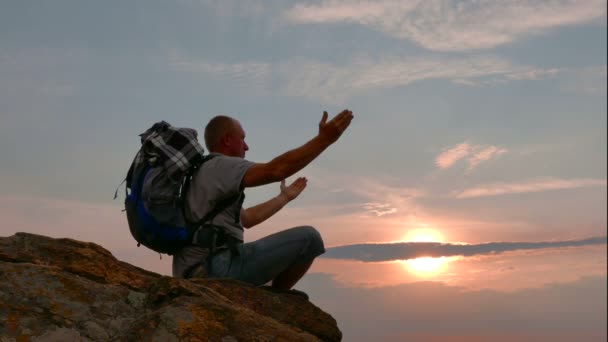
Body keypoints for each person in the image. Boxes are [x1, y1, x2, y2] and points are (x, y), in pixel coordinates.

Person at [172, 109, 354, 297]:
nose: (246, 146)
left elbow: (248, 218)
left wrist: (284, 198)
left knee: (307, 238)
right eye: (242, 138)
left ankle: (273, 300)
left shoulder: (203, 173)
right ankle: (277, 300)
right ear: (227, 140)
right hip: (214, 268)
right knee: (310, 238)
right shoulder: (222, 165)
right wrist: (323, 140)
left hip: (194, 269)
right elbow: (276, 170)